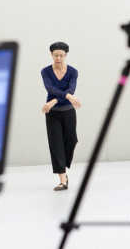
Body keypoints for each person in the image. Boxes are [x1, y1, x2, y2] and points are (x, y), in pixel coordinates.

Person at [41, 42, 81, 191]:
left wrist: (55, 100)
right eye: (55, 55)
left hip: (68, 110)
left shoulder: (73, 72)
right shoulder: (46, 71)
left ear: (65, 56)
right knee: (56, 144)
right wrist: (65, 97)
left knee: (71, 140)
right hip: (52, 113)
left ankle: (62, 165)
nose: (58, 58)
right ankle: (62, 179)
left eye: (61, 55)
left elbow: (71, 89)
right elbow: (50, 88)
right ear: (51, 55)